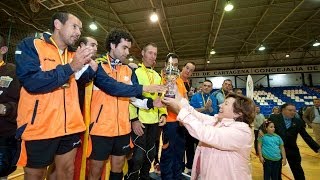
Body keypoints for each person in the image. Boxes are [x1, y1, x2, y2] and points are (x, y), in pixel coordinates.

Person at [14, 12, 97, 180]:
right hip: (40, 126)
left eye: (80, 29)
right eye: (74, 26)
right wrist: (71, 67)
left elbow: (83, 82)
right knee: (35, 174)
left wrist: (92, 70)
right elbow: (31, 81)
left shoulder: (75, 55)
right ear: (58, 24)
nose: (78, 32)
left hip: (70, 126)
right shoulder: (32, 45)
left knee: (66, 172)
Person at [88, 29, 165, 180]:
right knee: (95, 171)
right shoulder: (98, 65)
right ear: (112, 45)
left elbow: (133, 97)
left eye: (128, 48)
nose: (127, 52)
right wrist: (145, 88)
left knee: (118, 168)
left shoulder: (127, 70)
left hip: (122, 129)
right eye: (124, 47)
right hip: (100, 129)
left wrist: (152, 103)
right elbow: (114, 88)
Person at [162, 93, 255, 180]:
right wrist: (176, 93)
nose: (220, 105)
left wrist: (179, 110)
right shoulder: (218, 121)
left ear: (238, 113)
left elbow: (204, 133)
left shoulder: (242, 132)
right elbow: (195, 115)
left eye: (225, 104)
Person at [125, 43, 167, 180]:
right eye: (150, 53)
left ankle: (145, 177)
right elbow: (130, 98)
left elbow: (160, 98)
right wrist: (134, 119)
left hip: (154, 121)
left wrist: (163, 114)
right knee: (137, 157)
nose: (152, 56)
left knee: (150, 154)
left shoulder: (157, 75)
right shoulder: (135, 72)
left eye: (155, 54)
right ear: (143, 53)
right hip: (140, 121)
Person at [268, 103, 320, 180]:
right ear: (283, 110)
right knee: (276, 171)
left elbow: (306, 136)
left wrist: (317, 148)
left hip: (292, 149)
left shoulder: (298, 121)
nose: (293, 112)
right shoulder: (273, 118)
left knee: (297, 170)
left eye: (294, 111)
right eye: (290, 110)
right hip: (276, 149)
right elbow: (264, 131)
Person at [160, 53, 190, 180]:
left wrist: (186, 116)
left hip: (181, 121)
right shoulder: (162, 79)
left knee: (179, 151)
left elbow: (185, 98)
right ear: (166, 65)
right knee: (168, 152)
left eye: (176, 65)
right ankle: (167, 177)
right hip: (170, 122)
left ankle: (177, 176)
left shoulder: (179, 80)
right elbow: (162, 100)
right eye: (172, 64)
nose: (174, 67)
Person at [0, 33, 20, 179]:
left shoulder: (13, 72)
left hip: (4, 136)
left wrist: (6, 108)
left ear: (3, 50)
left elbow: (24, 104)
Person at [77, 36, 98, 111]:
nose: (95, 49)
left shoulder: (96, 64)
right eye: (92, 45)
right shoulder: (72, 60)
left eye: (96, 46)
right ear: (82, 45)